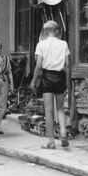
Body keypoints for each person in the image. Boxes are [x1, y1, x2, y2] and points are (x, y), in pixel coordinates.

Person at [30, 20, 70, 149]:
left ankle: (51, 141)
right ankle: (63, 133)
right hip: (60, 77)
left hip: (47, 77)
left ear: (45, 32)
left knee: (48, 111)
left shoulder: (41, 45)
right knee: (60, 108)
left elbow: (38, 65)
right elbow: (68, 65)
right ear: (57, 31)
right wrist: (68, 82)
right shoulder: (63, 44)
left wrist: (34, 80)